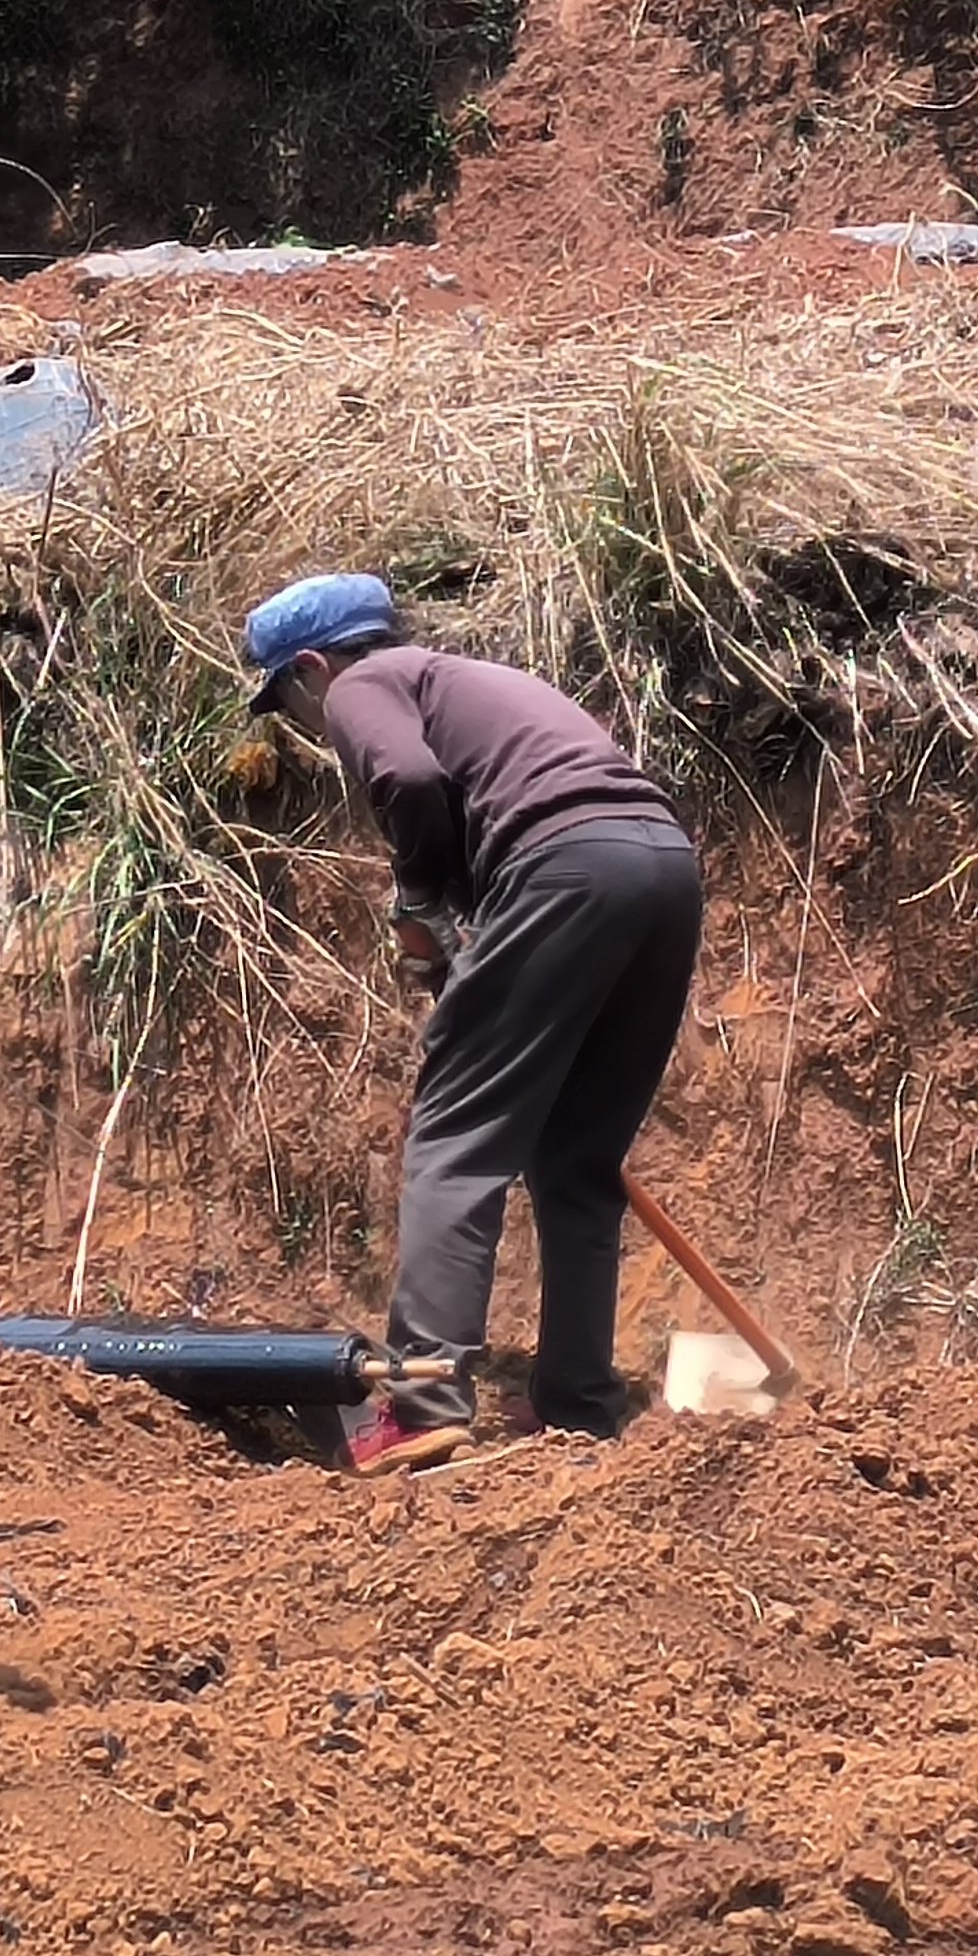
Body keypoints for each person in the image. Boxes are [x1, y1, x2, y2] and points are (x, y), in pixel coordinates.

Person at [245, 573, 701, 1473]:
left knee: (456, 1142)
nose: (301, 725)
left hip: (564, 869)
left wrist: (420, 895)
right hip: (659, 869)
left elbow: (410, 780)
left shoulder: (364, 685)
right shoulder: (474, 682)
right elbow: (510, 811)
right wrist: (461, 919)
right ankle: (579, 1405)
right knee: (575, 1160)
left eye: (288, 703)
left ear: (309, 668)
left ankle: (423, 1403)